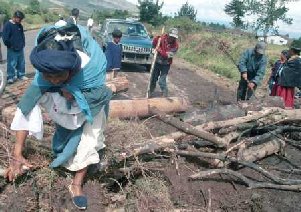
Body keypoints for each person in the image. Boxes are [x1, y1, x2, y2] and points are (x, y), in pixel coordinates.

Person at [4, 24, 112, 210]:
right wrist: (17, 154)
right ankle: (63, 151)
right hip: (64, 103)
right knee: (42, 105)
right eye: (48, 76)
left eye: (58, 76)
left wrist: (76, 93)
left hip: (91, 101)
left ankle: (76, 184)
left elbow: (103, 94)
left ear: (71, 70)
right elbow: (25, 110)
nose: (53, 80)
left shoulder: (92, 70)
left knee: (91, 138)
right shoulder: (44, 73)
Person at [149, 28, 179, 97]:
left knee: (161, 81)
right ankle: (150, 91)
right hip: (157, 62)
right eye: (171, 36)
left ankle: (165, 94)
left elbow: (167, 56)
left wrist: (159, 50)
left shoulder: (175, 46)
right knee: (153, 78)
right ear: (168, 35)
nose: (172, 38)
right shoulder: (160, 39)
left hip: (166, 64)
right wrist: (154, 49)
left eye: (174, 37)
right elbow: (153, 44)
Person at [2, 11, 26, 84]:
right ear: (15, 17)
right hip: (12, 48)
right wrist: (10, 45)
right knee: (12, 63)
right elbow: (5, 37)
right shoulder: (8, 25)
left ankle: (21, 75)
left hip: (20, 47)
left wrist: (23, 43)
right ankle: (11, 77)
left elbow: (22, 35)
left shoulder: (19, 25)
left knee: (21, 63)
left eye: (21, 19)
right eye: (19, 19)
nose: (20, 20)